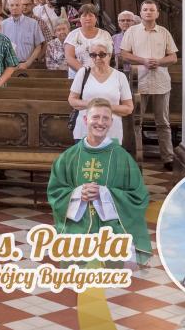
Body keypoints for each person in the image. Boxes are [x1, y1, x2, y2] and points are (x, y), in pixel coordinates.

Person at [48, 99, 151, 266]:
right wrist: (77, 194)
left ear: (111, 122)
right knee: (76, 276)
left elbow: (139, 197)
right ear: (85, 119)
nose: (100, 123)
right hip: (77, 227)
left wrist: (104, 194)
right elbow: (55, 193)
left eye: (105, 118)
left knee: (110, 278)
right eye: (95, 117)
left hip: (111, 230)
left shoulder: (123, 158)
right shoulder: (68, 157)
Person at [117, 0, 178, 170]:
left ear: (157, 13)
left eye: (152, 10)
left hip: (161, 82)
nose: (148, 12)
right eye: (145, 10)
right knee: (136, 121)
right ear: (141, 13)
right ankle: (135, 157)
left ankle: (168, 158)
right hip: (139, 81)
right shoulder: (132, 31)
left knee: (163, 122)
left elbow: (173, 57)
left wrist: (159, 62)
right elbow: (124, 54)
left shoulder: (164, 32)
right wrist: (143, 60)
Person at [67, 38, 134, 144]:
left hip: (111, 132)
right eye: (93, 55)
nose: (97, 58)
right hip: (84, 131)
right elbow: (72, 100)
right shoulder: (83, 73)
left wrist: (104, 107)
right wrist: (93, 104)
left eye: (102, 54)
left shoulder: (120, 76)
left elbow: (129, 108)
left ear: (109, 55)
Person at [64, 4, 114, 80]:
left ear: (96, 18)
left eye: (91, 15)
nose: (88, 18)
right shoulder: (73, 35)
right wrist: (86, 72)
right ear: (80, 19)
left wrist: (97, 73)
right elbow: (69, 58)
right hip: (78, 77)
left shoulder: (105, 35)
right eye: (84, 16)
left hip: (100, 76)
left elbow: (108, 56)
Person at [1, 0, 45, 70]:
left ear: (22, 6)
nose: (14, 7)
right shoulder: (3, 24)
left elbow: (38, 46)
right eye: (12, 5)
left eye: (17, 5)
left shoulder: (33, 23)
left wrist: (27, 63)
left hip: (29, 65)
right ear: (8, 7)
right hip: (8, 66)